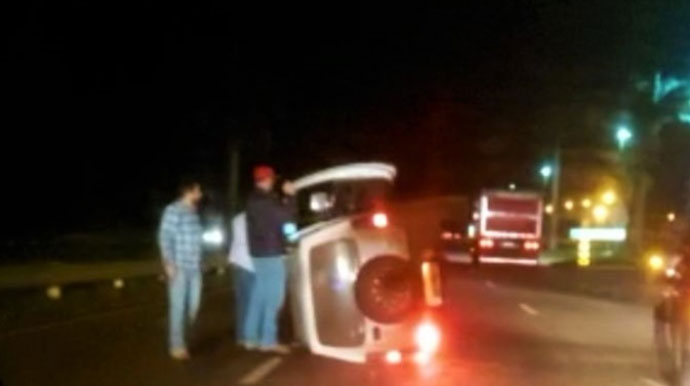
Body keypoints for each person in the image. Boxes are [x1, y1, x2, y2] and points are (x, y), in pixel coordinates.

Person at [244, 165, 296, 353]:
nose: (274, 182)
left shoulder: (254, 199)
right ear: (267, 180)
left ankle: (250, 337)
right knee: (274, 298)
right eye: (272, 179)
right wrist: (290, 196)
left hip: (259, 253)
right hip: (270, 253)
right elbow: (286, 219)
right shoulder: (264, 200)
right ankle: (268, 340)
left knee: (259, 296)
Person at [158, 179, 204, 360]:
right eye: (198, 190)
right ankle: (176, 345)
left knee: (194, 305)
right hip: (179, 266)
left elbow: (196, 240)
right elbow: (164, 237)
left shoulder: (193, 212)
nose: (200, 193)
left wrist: (200, 260)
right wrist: (168, 263)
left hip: (195, 267)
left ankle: (182, 335)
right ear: (189, 191)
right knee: (178, 307)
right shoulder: (173, 210)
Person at [228, 212, 255, 347]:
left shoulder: (237, 219)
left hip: (238, 263)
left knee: (242, 303)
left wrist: (232, 259)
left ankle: (241, 336)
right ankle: (250, 338)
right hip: (251, 264)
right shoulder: (260, 217)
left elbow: (236, 241)